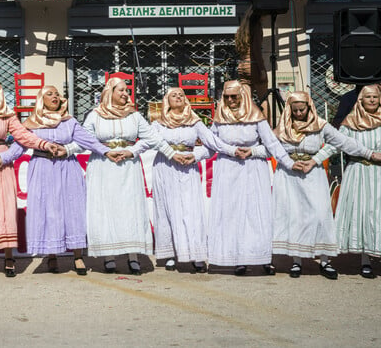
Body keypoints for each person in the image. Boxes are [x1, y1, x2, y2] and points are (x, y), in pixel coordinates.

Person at [0, 86, 118, 275]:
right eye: (49, 94)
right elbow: (18, 147)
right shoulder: (31, 124)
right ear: (40, 100)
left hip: (67, 167)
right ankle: (51, 255)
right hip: (42, 168)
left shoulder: (69, 122)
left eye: (56, 94)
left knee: (73, 208)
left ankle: (78, 255)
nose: (55, 97)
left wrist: (106, 151)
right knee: (48, 210)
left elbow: (87, 140)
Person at [82, 77, 186, 275]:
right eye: (120, 90)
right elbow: (83, 139)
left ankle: (133, 256)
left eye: (126, 90)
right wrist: (70, 149)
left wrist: (138, 151)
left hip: (128, 167)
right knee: (107, 209)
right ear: (109, 92)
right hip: (104, 167)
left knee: (130, 209)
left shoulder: (134, 116)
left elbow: (152, 139)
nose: (124, 94)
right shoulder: (95, 116)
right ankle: (109, 256)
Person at [272, 91, 378, 279]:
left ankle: (324, 261)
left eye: (301, 109)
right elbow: (269, 147)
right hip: (289, 176)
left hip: (313, 175)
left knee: (320, 215)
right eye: (294, 110)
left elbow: (344, 142)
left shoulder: (320, 126)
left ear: (309, 107)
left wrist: (369, 153)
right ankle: (297, 261)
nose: (298, 113)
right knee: (295, 216)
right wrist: (248, 151)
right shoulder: (282, 127)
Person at [0, 77, 60, 277]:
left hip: (0, 162)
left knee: (3, 208)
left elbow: (23, 136)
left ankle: (8, 256)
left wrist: (43, 144)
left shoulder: (7, 115)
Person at [147, 87, 242, 273]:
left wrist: (198, 155)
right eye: (173, 95)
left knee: (190, 210)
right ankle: (172, 254)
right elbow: (147, 141)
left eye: (181, 95)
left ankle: (196, 255)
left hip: (187, 168)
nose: (178, 97)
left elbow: (212, 145)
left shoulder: (195, 122)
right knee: (167, 209)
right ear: (167, 100)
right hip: (165, 168)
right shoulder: (158, 124)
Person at [208, 80, 295, 276]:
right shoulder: (220, 117)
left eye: (234, 96)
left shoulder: (256, 116)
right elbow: (211, 143)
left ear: (243, 96)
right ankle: (238, 259)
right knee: (232, 214)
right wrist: (190, 156)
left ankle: (261, 258)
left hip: (253, 170)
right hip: (228, 169)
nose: (230, 100)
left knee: (256, 213)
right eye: (227, 97)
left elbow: (271, 145)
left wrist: (256, 152)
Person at [332, 84, 381, 278]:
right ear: (360, 100)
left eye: (375, 97)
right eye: (367, 97)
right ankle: (365, 259)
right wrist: (314, 160)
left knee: (377, 214)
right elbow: (335, 145)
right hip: (358, 171)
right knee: (362, 213)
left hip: (379, 173)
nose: (371, 100)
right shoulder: (349, 122)